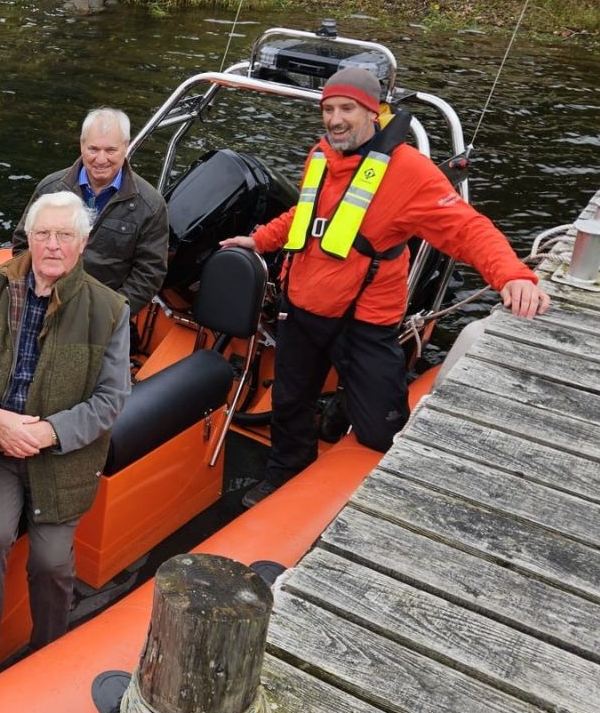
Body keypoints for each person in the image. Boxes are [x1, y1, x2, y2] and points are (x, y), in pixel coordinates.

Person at [221, 66, 550, 508]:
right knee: (289, 402)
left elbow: (467, 230)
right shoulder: (320, 154)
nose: (335, 119)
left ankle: (346, 408)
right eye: (329, 109)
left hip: (363, 322)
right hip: (302, 310)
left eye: (347, 109)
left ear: (373, 112)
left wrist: (512, 274)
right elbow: (304, 217)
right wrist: (259, 239)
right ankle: (284, 472)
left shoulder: (410, 172)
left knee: (381, 430)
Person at [0, 191, 132, 701]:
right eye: (42, 233)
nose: (51, 245)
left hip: (60, 459)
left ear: (83, 242)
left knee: (51, 562)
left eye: (64, 235)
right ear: (27, 236)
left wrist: (47, 432)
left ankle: (50, 651)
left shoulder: (110, 310)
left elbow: (111, 399)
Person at [12, 108, 169, 315]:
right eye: (93, 149)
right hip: (42, 302)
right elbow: (23, 243)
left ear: (125, 147)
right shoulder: (49, 188)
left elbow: (149, 273)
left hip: (103, 312)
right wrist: (38, 292)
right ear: (81, 145)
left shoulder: (151, 205)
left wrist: (110, 313)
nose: (101, 159)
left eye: (110, 150)